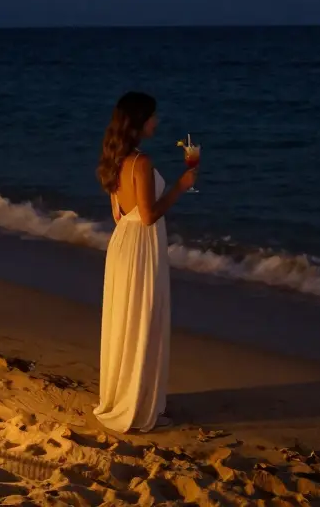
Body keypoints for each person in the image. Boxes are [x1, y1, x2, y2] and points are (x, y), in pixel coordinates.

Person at [93, 91, 197, 432]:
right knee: (143, 321)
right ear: (140, 121)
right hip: (141, 247)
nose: (157, 121)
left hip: (123, 243)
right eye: (153, 116)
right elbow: (149, 215)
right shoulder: (141, 162)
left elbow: (119, 214)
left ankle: (128, 400)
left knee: (127, 322)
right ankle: (139, 409)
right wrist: (180, 186)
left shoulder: (116, 158)